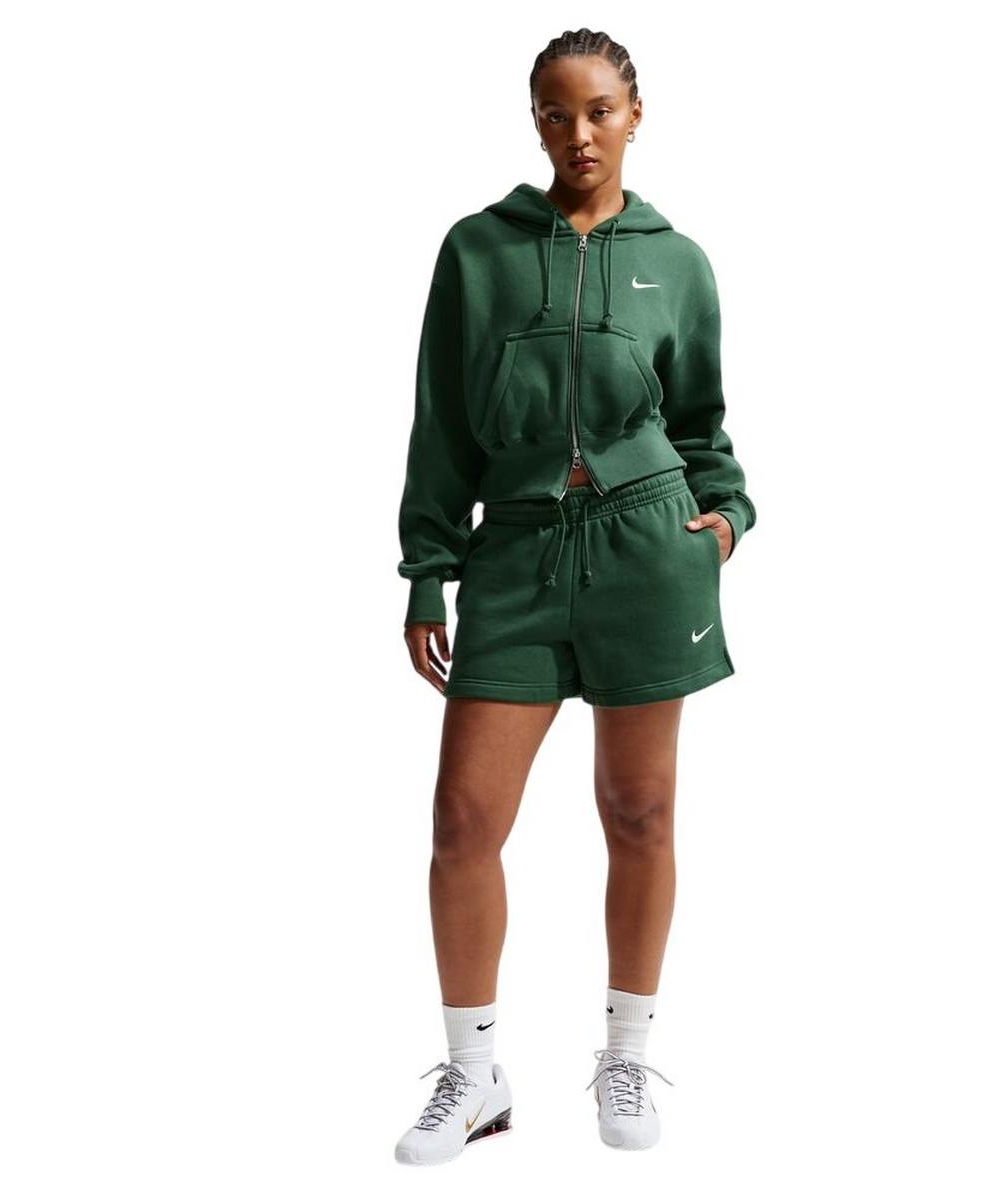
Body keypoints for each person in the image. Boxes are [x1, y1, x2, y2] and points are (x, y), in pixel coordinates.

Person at [393, 28, 757, 1165]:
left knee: (640, 813)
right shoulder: (477, 250)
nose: (580, 133)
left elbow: (702, 425)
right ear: (536, 123)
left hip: (648, 552)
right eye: (557, 114)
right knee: (463, 822)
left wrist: (726, 519)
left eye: (599, 110)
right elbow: (441, 423)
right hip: (515, 556)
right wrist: (428, 565)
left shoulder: (678, 261)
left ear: (635, 114)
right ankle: (474, 1075)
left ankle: (628, 1055)